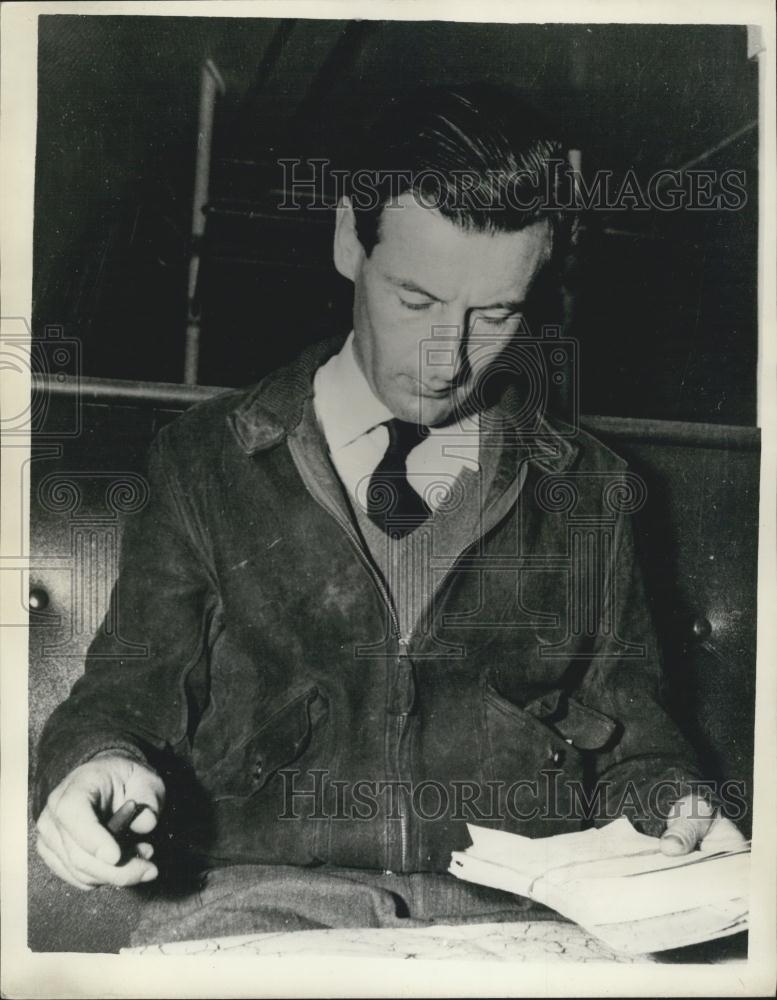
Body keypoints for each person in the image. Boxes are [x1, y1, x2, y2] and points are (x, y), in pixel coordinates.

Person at [33, 84, 743, 942]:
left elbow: (636, 740)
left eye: (495, 314)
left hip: (519, 916)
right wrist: (92, 766)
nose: (448, 359)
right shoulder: (208, 459)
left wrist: (675, 804)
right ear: (347, 242)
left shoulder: (587, 487)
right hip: (257, 907)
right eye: (415, 301)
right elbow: (124, 696)